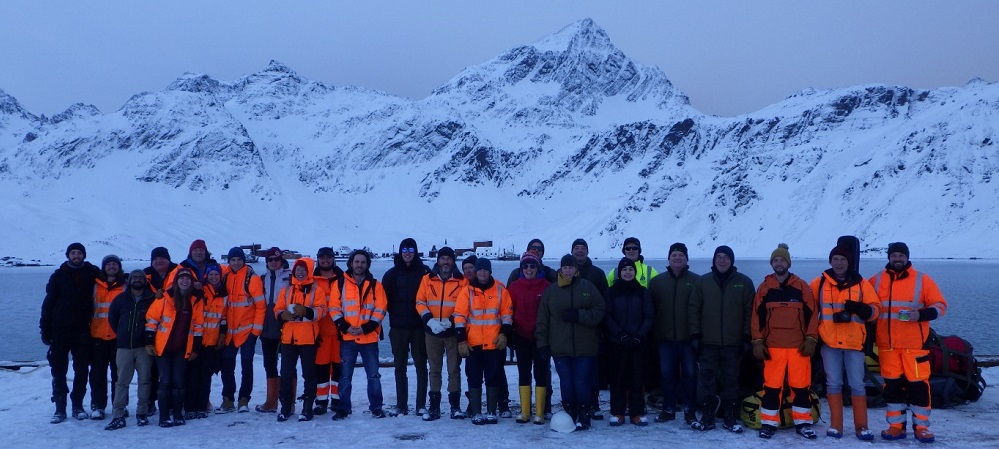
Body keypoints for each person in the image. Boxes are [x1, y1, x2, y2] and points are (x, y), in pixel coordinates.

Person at [868, 242, 947, 443]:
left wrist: (921, 314)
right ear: (888, 257)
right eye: (893, 255)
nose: (897, 258)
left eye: (900, 255)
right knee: (892, 388)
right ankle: (895, 427)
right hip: (887, 347)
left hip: (915, 347)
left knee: (919, 387)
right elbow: (867, 305)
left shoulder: (922, 280)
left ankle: (921, 428)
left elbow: (940, 306)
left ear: (907, 257)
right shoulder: (876, 280)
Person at [810, 244, 880, 440]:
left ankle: (862, 427)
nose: (839, 263)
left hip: (854, 343)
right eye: (836, 259)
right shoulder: (820, 283)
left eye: (843, 260)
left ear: (849, 263)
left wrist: (863, 310)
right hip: (829, 343)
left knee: (858, 384)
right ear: (830, 261)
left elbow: (876, 309)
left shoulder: (861, 284)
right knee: (833, 384)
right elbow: (808, 309)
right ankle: (836, 426)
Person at [751, 244, 820, 439]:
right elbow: (756, 317)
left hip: (799, 347)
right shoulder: (765, 288)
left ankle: (803, 422)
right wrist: (757, 341)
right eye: (775, 260)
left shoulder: (801, 286)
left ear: (788, 263)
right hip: (773, 347)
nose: (778, 263)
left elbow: (813, 315)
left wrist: (811, 339)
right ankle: (769, 423)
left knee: (801, 387)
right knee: (771, 388)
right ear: (772, 263)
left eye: (782, 260)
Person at [687, 245, 754, 433]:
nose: (722, 260)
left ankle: (729, 417)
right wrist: (695, 335)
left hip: (733, 343)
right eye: (718, 257)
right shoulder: (703, 282)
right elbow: (694, 309)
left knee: (731, 381)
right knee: (707, 381)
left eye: (725, 257)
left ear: (732, 260)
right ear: (714, 260)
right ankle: (708, 416)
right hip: (708, 343)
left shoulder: (744, 282)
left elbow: (750, 312)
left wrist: (747, 336)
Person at [536, 255, 606, 431]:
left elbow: (600, 310)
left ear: (576, 269)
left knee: (581, 381)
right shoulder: (551, 291)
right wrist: (542, 343)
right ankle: (570, 412)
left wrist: (580, 315)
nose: (568, 270)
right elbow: (543, 320)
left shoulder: (587, 287)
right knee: (566, 381)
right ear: (561, 269)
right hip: (560, 346)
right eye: (565, 267)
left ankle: (584, 413)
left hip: (585, 346)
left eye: (571, 267)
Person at [40, 242, 100, 423]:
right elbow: (48, 304)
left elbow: (112, 278)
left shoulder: (91, 273)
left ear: (84, 255)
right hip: (59, 330)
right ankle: (59, 408)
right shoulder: (58, 276)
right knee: (58, 371)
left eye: (79, 253)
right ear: (68, 255)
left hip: (82, 330)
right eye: (73, 253)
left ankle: (78, 405)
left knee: (81, 370)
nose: (76, 256)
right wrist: (45, 328)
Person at [330, 249, 388, 420]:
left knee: (373, 376)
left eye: (363, 262)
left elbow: (381, 308)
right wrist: (345, 327)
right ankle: (344, 407)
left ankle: (376, 407)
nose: (359, 265)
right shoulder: (340, 283)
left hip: (368, 338)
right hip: (347, 337)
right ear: (351, 263)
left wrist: (367, 328)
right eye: (357, 262)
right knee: (345, 376)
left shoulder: (376, 285)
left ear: (367, 264)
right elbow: (334, 308)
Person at [455, 257, 513, 425]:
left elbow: (507, 316)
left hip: (494, 343)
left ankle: (491, 411)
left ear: (489, 271)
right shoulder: (467, 291)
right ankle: (476, 411)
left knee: (493, 376)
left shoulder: (501, 290)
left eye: (485, 270)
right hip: (473, 344)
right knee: (473, 377)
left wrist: (504, 334)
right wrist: (461, 341)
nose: (482, 272)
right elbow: (460, 316)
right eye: (479, 270)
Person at [144, 268, 204, 427]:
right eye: (181, 278)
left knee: (178, 381)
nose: (185, 281)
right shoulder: (165, 298)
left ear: (192, 282)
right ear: (176, 281)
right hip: (163, 348)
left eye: (188, 279)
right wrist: (149, 341)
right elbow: (151, 320)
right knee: (164, 381)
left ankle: (177, 414)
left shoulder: (195, 300)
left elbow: (198, 326)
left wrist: (196, 348)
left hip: (182, 349)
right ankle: (163, 416)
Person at [648, 242, 699, 424]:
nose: (677, 258)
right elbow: (650, 310)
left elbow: (701, 310)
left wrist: (697, 335)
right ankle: (668, 409)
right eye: (674, 255)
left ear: (686, 259)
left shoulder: (696, 281)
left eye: (681, 256)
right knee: (667, 375)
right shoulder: (657, 282)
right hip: (665, 338)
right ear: (668, 259)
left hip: (688, 339)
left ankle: (689, 410)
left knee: (690, 375)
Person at [415, 246, 466, 420]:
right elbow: (420, 301)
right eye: (443, 258)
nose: (446, 262)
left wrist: (450, 321)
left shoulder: (462, 281)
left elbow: (463, 305)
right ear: (438, 261)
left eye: (449, 259)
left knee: (454, 370)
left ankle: (455, 407)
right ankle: (434, 407)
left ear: (453, 261)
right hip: (432, 332)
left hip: (452, 333)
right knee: (434, 370)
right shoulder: (427, 280)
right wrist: (429, 320)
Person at [382, 238, 432, 416]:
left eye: (411, 249)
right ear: (400, 251)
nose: (408, 252)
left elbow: (433, 295)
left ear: (415, 251)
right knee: (399, 367)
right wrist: (395, 313)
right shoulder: (391, 274)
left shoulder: (425, 272)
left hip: (419, 327)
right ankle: (401, 404)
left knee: (421, 366)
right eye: (404, 249)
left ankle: (420, 404)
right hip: (398, 328)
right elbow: (383, 300)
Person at [104, 269, 157, 430]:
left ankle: (142, 412)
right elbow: (112, 319)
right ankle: (118, 414)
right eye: (134, 278)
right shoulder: (120, 299)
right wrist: (122, 334)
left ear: (145, 281)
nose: (137, 280)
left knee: (145, 380)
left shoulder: (151, 299)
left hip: (144, 347)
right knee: (121, 382)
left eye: (140, 278)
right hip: (124, 347)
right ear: (129, 281)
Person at [275, 257, 326, 422]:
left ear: (309, 271)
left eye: (304, 269)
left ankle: (307, 407)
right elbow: (277, 308)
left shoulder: (316, 290)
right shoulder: (287, 290)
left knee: (309, 374)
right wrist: (282, 314)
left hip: (308, 339)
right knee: (286, 374)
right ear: (294, 271)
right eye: (298, 269)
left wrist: (307, 312)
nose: (301, 272)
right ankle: (286, 407)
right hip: (288, 339)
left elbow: (321, 311)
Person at [604, 257, 654, 427]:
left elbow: (649, 315)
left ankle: (636, 413)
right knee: (617, 378)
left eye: (630, 270)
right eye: (624, 270)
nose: (627, 272)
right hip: (617, 342)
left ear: (635, 272)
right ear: (619, 272)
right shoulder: (611, 292)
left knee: (637, 378)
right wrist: (619, 334)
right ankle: (617, 412)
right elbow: (607, 315)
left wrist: (640, 334)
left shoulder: (642, 292)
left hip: (638, 343)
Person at [506, 252, 552, 424]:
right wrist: (509, 335)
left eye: (532, 266)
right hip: (521, 335)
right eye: (525, 266)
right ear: (521, 269)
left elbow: (550, 313)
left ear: (537, 268)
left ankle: (539, 412)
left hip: (540, 337)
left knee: (541, 373)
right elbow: (508, 312)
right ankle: (525, 411)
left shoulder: (547, 286)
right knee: (523, 372)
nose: (529, 269)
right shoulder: (514, 287)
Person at [219, 246, 265, 413]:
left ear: (243, 261)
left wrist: (255, 332)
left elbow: (261, 307)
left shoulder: (252, 279)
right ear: (229, 261)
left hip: (247, 332)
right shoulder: (225, 276)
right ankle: (228, 399)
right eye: (233, 260)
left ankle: (244, 399)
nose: (236, 263)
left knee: (247, 366)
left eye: (239, 260)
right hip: (230, 333)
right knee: (227, 366)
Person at [185, 263, 227, 420]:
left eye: (217, 275)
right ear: (206, 276)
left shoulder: (224, 295)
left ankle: (202, 406)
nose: (214, 277)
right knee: (192, 376)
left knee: (205, 377)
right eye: (211, 275)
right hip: (197, 341)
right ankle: (190, 407)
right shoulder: (199, 291)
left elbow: (223, 317)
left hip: (212, 342)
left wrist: (222, 335)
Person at [89, 254, 126, 420]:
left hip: (118, 337)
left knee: (119, 375)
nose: (112, 267)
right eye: (108, 264)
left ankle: (119, 405)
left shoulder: (125, 285)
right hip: (97, 335)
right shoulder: (95, 285)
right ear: (104, 267)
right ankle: (98, 406)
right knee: (97, 374)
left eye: (115, 264)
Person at [256, 247, 291, 413]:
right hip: (267, 328)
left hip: (286, 327)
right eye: (270, 260)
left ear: (281, 260)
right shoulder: (262, 279)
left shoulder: (290, 277)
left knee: (288, 366)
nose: (274, 263)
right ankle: (271, 401)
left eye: (276, 260)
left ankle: (288, 402)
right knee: (269, 364)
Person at [312, 247, 345, 416]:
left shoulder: (343, 278)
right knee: (321, 369)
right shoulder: (311, 280)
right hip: (320, 333)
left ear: (333, 259)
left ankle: (338, 400)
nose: (325, 260)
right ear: (318, 259)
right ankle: (321, 401)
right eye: (322, 257)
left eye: (328, 257)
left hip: (340, 332)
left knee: (339, 369)